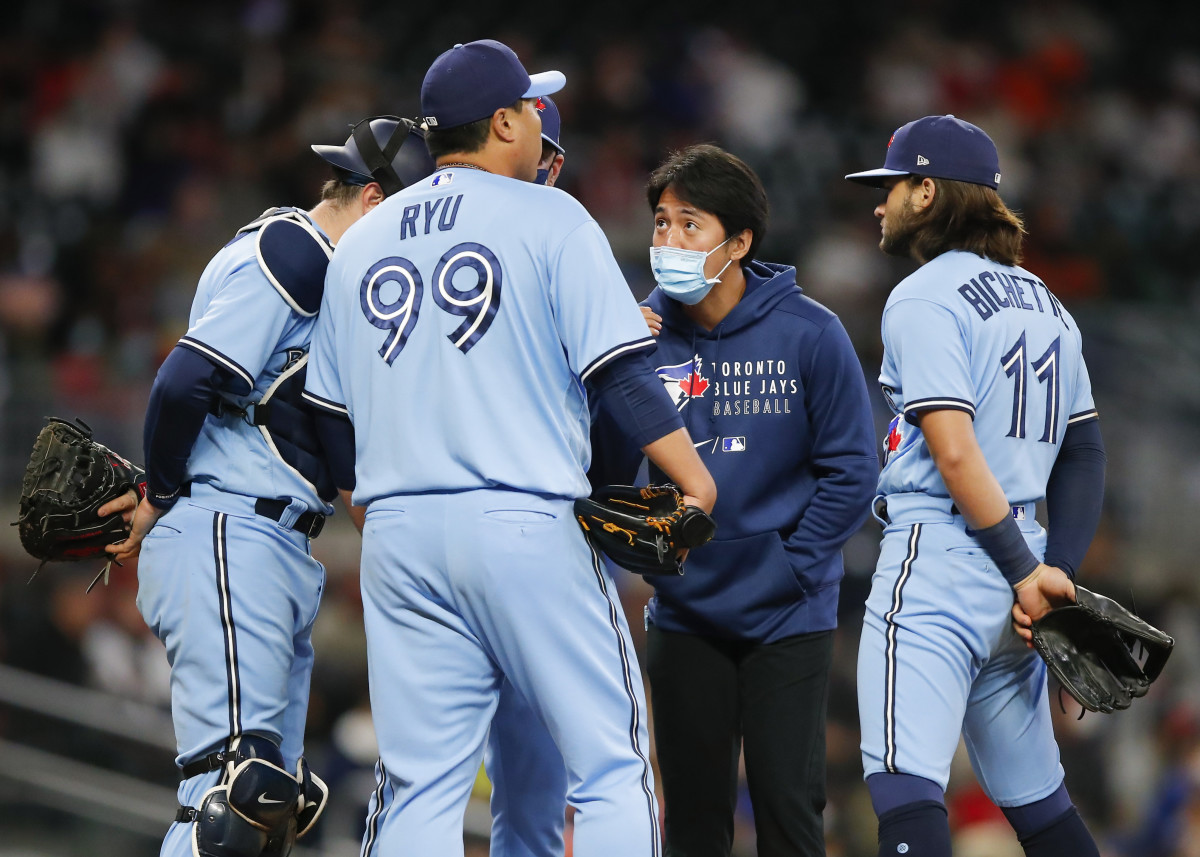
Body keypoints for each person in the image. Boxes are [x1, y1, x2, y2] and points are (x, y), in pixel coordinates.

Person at [301, 38, 716, 857]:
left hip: (398, 536)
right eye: (529, 106)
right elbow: (625, 379)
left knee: (418, 782)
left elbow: (324, 415)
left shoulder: (361, 244)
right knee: (612, 763)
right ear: (501, 122)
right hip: (523, 519)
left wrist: (365, 493)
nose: (537, 118)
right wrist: (695, 482)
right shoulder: (551, 213)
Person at [102, 116, 432, 857]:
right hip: (229, 528)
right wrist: (158, 493)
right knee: (232, 802)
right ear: (375, 200)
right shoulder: (294, 249)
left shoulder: (331, 278)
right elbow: (184, 378)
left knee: (271, 814)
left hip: (276, 543)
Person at [845, 115, 1107, 857]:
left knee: (904, 786)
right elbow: (1085, 450)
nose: (880, 203)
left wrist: (1031, 576)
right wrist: (1057, 575)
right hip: (1024, 568)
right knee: (1042, 803)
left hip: (943, 556)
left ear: (927, 191)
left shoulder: (924, 295)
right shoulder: (1046, 301)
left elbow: (955, 457)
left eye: (893, 186)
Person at [623, 143, 877, 857]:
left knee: (788, 810)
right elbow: (608, 468)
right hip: (684, 612)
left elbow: (853, 470)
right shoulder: (635, 336)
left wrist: (789, 568)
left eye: (689, 225)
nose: (667, 241)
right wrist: (608, 366)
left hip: (788, 614)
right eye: (661, 224)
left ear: (739, 242)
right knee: (694, 821)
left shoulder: (811, 333)